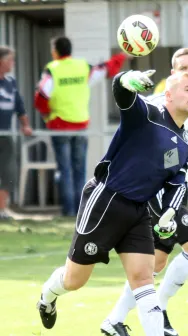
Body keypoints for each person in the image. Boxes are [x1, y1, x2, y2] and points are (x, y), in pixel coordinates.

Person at [36, 68, 188, 336]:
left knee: (143, 277)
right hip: (106, 200)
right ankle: (47, 297)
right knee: (75, 280)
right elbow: (122, 92)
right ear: (169, 95)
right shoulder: (147, 113)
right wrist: (127, 78)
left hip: (138, 211)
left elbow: (177, 184)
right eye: (187, 88)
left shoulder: (186, 143)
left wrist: (170, 214)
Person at [100, 48, 188, 336]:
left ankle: (115, 319)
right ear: (172, 73)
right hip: (158, 192)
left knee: (154, 263)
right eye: (182, 66)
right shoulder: (162, 103)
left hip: (177, 190)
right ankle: (159, 308)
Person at [34, 36, 127, 216]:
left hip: (59, 126)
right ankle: (81, 211)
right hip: (81, 125)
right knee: (80, 170)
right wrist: (121, 56)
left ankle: (68, 211)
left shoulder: (52, 69)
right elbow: (107, 68)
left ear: (55, 51)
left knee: (65, 170)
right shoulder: (83, 67)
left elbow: (41, 96)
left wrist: (46, 115)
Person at [0, 46, 32, 220]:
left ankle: (1, 209)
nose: (12, 63)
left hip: (5, 135)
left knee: (9, 172)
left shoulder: (10, 82)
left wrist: (25, 125)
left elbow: (20, 107)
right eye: (9, 60)